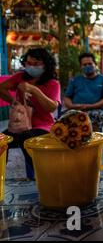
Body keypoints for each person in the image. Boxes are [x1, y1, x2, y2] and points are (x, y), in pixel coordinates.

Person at [0, 48, 60, 179]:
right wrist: (14, 101)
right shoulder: (20, 77)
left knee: (26, 137)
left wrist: (35, 90)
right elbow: (2, 88)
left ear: (45, 64)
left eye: (36, 64)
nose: (31, 67)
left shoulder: (52, 83)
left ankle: (40, 176)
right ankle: (1, 176)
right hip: (20, 124)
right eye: (28, 63)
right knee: (2, 140)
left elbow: (52, 107)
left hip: (44, 126)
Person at [64, 53, 103, 132]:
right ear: (81, 66)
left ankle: (94, 140)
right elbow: (67, 97)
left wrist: (91, 106)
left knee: (96, 115)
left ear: (95, 64)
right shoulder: (75, 80)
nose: (87, 66)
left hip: (96, 109)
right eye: (84, 64)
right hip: (76, 109)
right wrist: (73, 106)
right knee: (64, 119)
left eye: (90, 64)